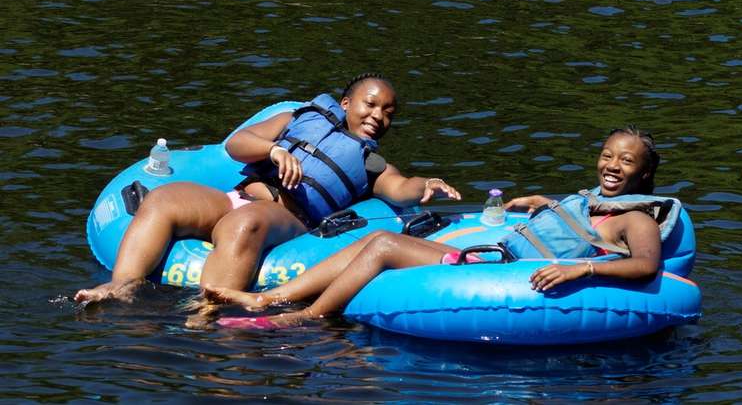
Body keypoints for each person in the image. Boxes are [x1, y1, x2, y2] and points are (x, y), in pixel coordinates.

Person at [208, 125, 666, 330]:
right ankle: (266, 297)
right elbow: (578, 221)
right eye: (608, 155)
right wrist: (544, 203)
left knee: (386, 243)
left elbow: (646, 266)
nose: (612, 165)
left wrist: (581, 271)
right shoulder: (590, 202)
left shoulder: (636, 217)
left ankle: (306, 317)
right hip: (495, 259)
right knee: (376, 239)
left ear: (644, 175)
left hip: (508, 276)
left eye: (626, 161)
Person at [74, 73, 461, 304]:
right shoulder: (297, 119)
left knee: (246, 222)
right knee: (163, 199)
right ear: (346, 103)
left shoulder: (368, 162)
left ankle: (207, 312)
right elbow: (237, 144)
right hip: (238, 196)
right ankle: (120, 287)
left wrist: (427, 184)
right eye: (371, 105)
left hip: (286, 219)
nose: (378, 116)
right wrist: (274, 150)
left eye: (388, 113)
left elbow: (400, 188)